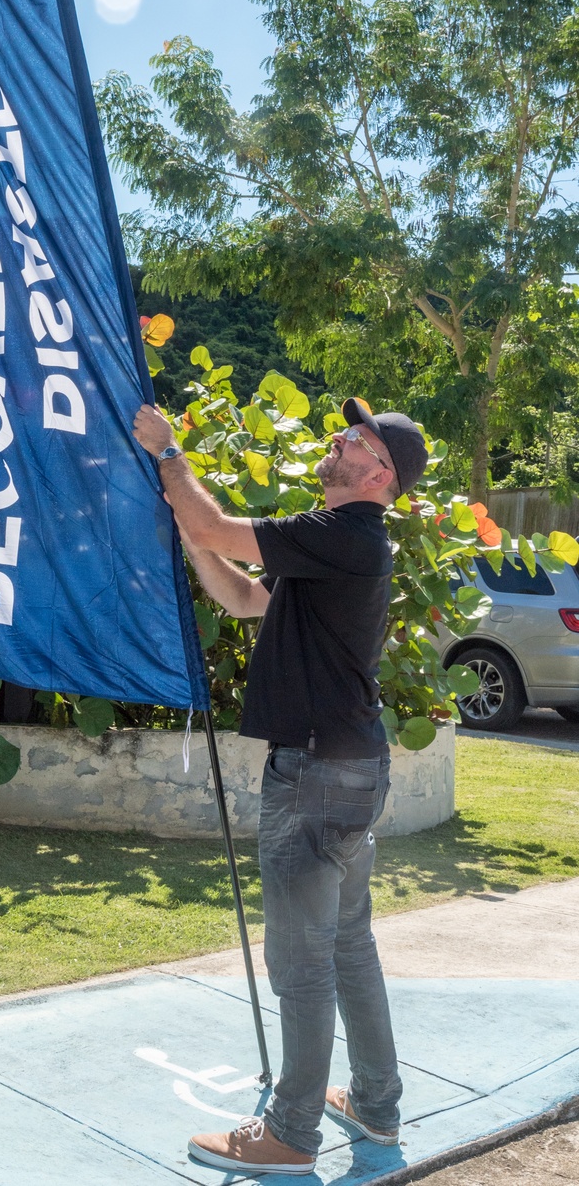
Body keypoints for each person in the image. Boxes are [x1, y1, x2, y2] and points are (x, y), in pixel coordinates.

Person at [133, 396, 429, 1177]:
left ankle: (293, 1134)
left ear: (380, 472)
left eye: (354, 438)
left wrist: (170, 456)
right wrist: (188, 536)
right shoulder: (334, 553)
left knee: (302, 964)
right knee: (348, 947)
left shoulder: (346, 535)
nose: (336, 441)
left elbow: (215, 526)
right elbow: (239, 592)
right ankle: (375, 1103)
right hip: (350, 769)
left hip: (314, 777)